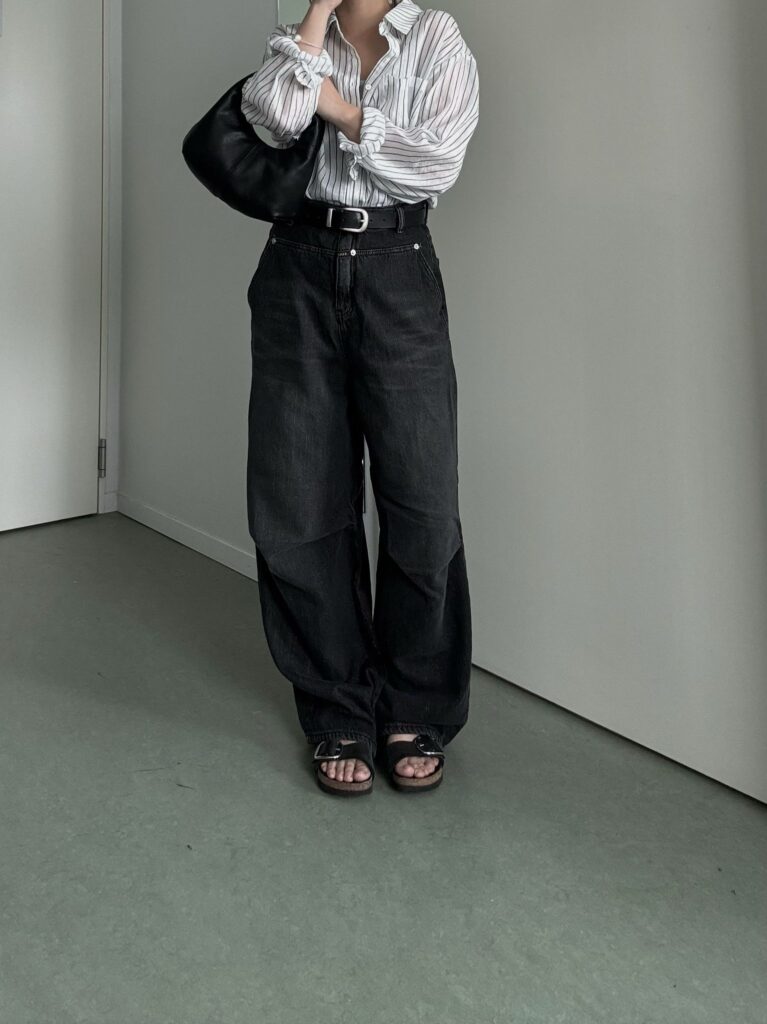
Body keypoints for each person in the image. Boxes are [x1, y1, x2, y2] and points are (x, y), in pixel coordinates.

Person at [240, 0, 479, 795]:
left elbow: (432, 165)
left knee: (422, 501)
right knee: (299, 496)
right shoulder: (301, 39)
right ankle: (337, 706)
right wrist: (313, 20)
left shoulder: (437, 36)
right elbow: (272, 122)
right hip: (296, 265)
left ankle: (414, 706)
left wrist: (339, 110)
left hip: (397, 266)